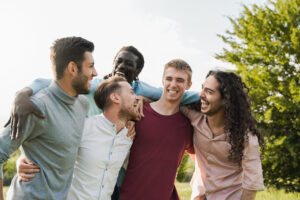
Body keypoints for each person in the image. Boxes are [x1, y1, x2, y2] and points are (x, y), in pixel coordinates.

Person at [0, 36, 97, 200]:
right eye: (91, 66)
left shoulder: (82, 104)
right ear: (72, 68)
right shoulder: (35, 107)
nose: (95, 73)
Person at [181, 70, 265, 200]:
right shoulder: (195, 118)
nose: (201, 95)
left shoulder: (246, 137)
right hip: (199, 196)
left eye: (209, 92)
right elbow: (167, 102)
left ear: (226, 100)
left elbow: (252, 184)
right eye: (202, 89)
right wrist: (142, 99)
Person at [120, 59, 194, 200]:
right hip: (130, 196)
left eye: (179, 80)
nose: (173, 84)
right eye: (169, 79)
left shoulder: (188, 126)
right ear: (162, 81)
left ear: (188, 85)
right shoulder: (138, 113)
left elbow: (201, 156)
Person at [65, 76, 140, 200]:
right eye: (131, 93)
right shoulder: (84, 127)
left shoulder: (128, 137)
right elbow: (50, 151)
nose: (137, 98)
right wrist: (23, 161)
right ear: (115, 97)